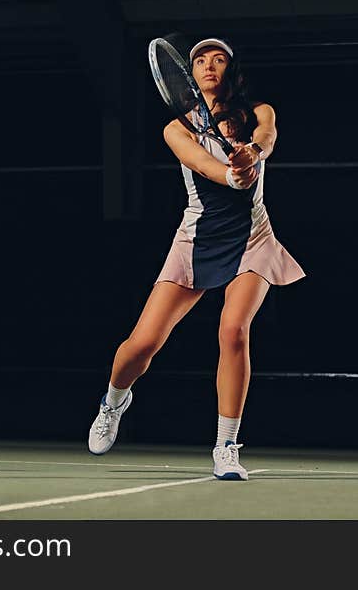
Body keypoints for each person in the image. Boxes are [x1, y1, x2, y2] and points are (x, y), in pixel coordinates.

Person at [87, 37, 305, 480]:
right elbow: (202, 166)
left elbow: (267, 136)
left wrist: (253, 153)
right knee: (141, 345)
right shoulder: (177, 128)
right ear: (188, 76)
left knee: (233, 329)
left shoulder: (259, 112)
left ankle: (226, 446)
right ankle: (114, 401)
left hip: (252, 238)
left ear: (231, 68)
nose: (209, 66)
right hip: (196, 238)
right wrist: (230, 172)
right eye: (200, 60)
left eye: (218, 59)